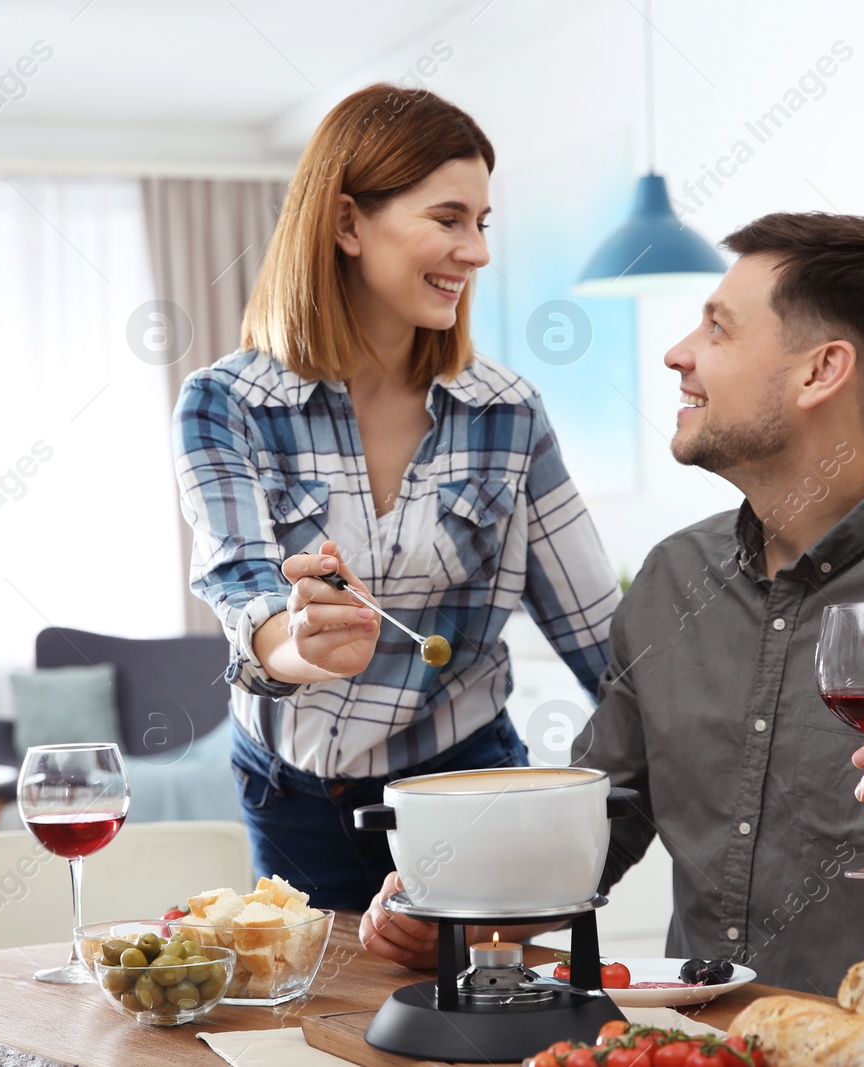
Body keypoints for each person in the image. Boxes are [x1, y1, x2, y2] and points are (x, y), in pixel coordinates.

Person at [360, 211, 864, 1008]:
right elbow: (599, 823)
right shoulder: (673, 580)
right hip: (687, 1054)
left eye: (718, 327)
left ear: (820, 372)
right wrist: (462, 912)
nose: (678, 353)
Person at [172, 83, 620, 911]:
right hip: (292, 799)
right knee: (318, 1028)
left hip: (464, 791)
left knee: (472, 1025)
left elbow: (603, 640)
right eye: (448, 219)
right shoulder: (224, 404)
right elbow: (244, 592)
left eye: (483, 224)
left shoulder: (506, 413)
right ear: (347, 223)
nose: (477, 251)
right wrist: (304, 644)